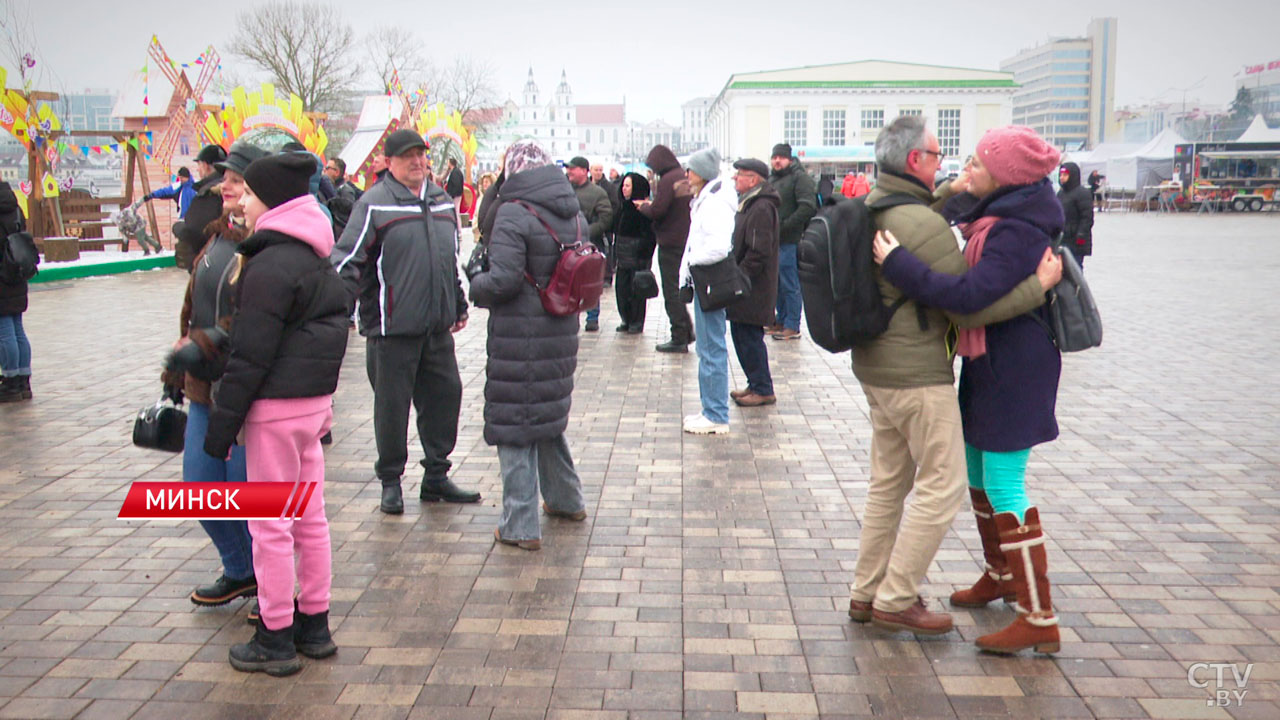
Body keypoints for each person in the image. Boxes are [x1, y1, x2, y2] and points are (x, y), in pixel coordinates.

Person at [844, 115, 1052, 637]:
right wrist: (1037, 289)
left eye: (973, 163)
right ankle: (896, 597)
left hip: (876, 368)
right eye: (943, 157)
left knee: (890, 485)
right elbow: (966, 307)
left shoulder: (875, 206)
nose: (956, 168)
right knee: (945, 485)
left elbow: (946, 262)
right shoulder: (926, 224)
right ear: (916, 161)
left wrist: (945, 194)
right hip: (916, 374)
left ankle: (868, 592)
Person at [204, 152, 349, 676]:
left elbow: (250, 355)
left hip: (272, 412)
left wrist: (222, 426)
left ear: (273, 201)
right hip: (312, 409)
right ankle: (314, 624)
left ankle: (275, 636)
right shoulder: (315, 255)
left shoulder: (267, 264)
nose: (240, 198)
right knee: (310, 519)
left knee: (270, 525)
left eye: (249, 191)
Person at [331, 129, 480, 514]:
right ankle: (391, 481)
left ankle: (436, 477)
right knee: (392, 409)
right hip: (391, 329)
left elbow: (448, 260)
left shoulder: (443, 202)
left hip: (436, 327)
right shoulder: (375, 204)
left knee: (446, 400)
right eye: (408, 156)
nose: (417, 162)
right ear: (389, 162)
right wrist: (330, 309)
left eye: (421, 155)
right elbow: (347, 261)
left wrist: (458, 304)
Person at [161, 141, 269, 609]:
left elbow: (250, 318)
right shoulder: (217, 234)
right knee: (200, 487)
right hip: (205, 385)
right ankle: (240, 569)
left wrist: (202, 343)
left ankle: (270, 584)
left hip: (246, 391)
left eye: (237, 180)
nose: (225, 186)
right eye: (225, 177)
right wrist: (182, 358)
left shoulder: (265, 243)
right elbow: (196, 301)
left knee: (249, 499)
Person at [468, 140, 587, 552]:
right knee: (547, 419)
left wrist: (474, 284)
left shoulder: (513, 213)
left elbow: (501, 280)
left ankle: (519, 524)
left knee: (516, 423)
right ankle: (566, 499)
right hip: (560, 329)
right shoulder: (571, 210)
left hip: (521, 334)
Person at [679, 148, 737, 434]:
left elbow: (717, 246)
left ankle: (716, 414)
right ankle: (710, 409)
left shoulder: (714, 204)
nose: (686, 175)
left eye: (690, 170)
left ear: (702, 173)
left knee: (711, 347)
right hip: (705, 281)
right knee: (706, 346)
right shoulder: (705, 200)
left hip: (711, 281)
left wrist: (691, 261)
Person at [726, 159, 779, 407]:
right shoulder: (749, 204)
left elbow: (758, 251)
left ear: (754, 179)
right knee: (741, 333)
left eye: (740, 175)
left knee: (749, 336)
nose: (736, 179)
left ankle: (763, 388)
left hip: (753, 286)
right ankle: (755, 382)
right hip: (746, 283)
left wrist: (740, 277)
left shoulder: (761, 207)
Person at [635, 145, 693, 353]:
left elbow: (659, 210)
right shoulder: (682, 176)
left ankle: (679, 336)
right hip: (683, 239)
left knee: (671, 290)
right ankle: (686, 331)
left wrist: (643, 207)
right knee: (676, 287)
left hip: (670, 241)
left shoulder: (668, 180)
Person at [148, 145, 228, 270]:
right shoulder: (232, 189)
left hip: (209, 264)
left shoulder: (207, 193)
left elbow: (195, 232)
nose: (198, 170)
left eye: (199, 165)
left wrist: (180, 229)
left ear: (206, 165)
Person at [767, 143, 816, 341]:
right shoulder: (772, 179)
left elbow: (807, 207)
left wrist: (786, 225)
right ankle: (781, 320)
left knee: (790, 283)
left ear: (789, 159)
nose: (777, 161)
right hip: (774, 240)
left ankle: (792, 325)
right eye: (774, 157)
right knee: (777, 283)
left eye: (781, 157)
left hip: (790, 239)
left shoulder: (799, 178)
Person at [565, 156, 613, 332]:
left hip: (589, 245)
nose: (569, 171)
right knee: (569, 283)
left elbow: (606, 218)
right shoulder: (564, 190)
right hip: (567, 246)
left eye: (573, 168)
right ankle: (571, 316)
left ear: (584, 171)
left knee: (590, 282)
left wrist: (586, 231)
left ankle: (592, 317)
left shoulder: (597, 193)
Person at [611, 172, 655, 334]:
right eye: (623, 185)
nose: (624, 189)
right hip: (622, 255)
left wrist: (644, 253)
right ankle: (626, 319)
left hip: (637, 255)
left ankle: (636, 322)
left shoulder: (643, 209)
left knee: (636, 290)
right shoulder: (621, 208)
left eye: (628, 186)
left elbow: (650, 235)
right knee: (621, 290)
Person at [0, 181, 32, 403]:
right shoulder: (15, 206)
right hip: (18, 273)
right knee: (17, 328)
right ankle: (23, 380)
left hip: (1, 275)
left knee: (5, 332)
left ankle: (10, 383)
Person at [1057, 162, 1093, 269]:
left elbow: (1087, 217)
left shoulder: (1082, 193)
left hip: (1076, 240)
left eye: (1065, 175)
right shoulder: (1061, 193)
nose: (1062, 178)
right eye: (1061, 175)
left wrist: (1081, 235)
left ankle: (1077, 286)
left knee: (1074, 268)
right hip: (1063, 238)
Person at [592, 162, 620, 286]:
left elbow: (615, 206)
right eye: (596, 170)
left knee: (606, 250)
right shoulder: (586, 186)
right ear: (591, 171)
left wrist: (606, 220)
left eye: (600, 170)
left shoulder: (609, 187)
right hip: (591, 225)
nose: (598, 172)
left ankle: (607, 276)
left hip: (605, 226)